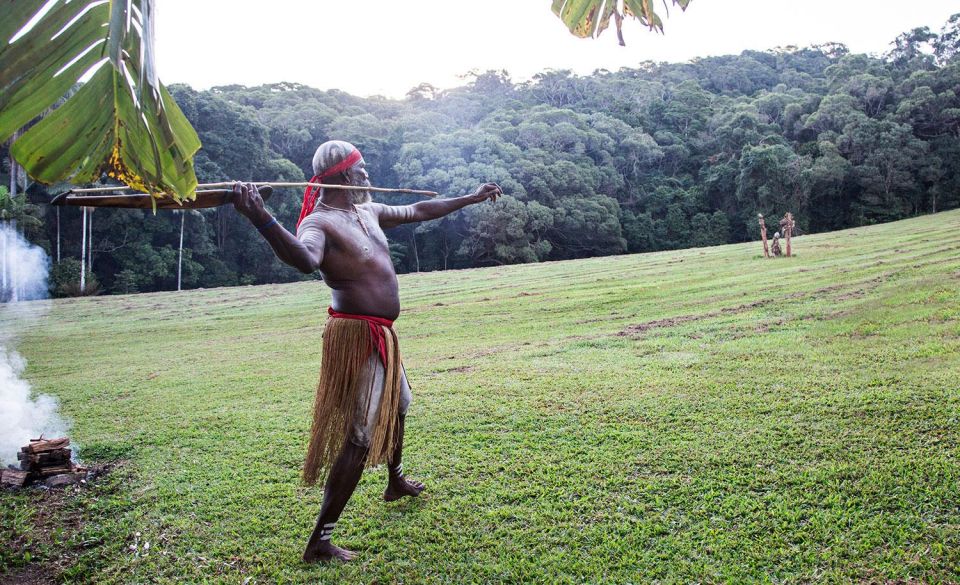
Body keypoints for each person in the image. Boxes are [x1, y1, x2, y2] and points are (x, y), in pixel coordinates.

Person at [231, 140, 501, 563]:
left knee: (399, 404)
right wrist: (261, 218)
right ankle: (320, 540)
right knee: (359, 436)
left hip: (383, 334)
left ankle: (394, 481)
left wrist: (471, 197)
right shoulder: (319, 223)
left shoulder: (366, 210)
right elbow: (304, 260)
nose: (369, 179)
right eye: (362, 173)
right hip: (356, 338)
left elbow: (420, 211)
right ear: (342, 177)